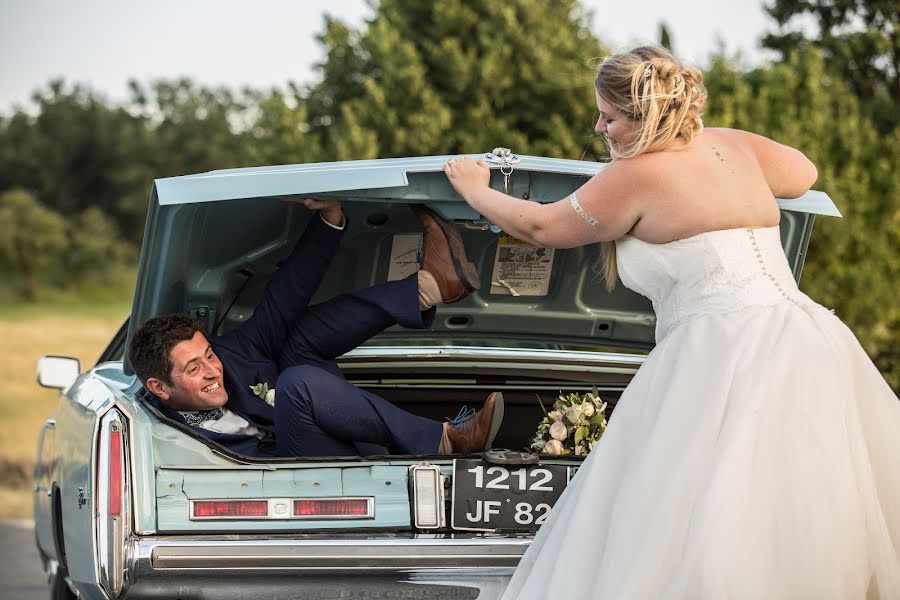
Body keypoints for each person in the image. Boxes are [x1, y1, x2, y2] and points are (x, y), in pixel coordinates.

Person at [444, 46, 899, 599]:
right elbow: (804, 173)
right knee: (799, 504)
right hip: (807, 340)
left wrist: (475, 190)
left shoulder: (635, 176)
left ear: (646, 116)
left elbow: (542, 228)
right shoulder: (731, 145)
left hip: (719, 355)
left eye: (609, 117)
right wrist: (726, 170)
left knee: (702, 509)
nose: (599, 127)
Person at [128, 200, 504, 458]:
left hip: (349, 443)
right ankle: (443, 439)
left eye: (208, 355)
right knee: (296, 385)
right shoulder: (146, 431)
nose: (213, 370)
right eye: (193, 369)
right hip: (296, 484)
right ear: (160, 388)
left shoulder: (231, 356)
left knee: (299, 336)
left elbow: (285, 298)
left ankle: (429, 288)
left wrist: (330, 215)